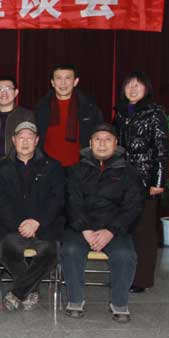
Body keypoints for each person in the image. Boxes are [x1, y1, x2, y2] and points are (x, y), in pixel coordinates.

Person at [62, 124, 145, 322]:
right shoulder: (75, 170)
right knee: (70, 250)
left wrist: (110, 231)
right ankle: (75, 300)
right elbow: (71, 202)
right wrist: (85, 229)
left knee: (125, 255)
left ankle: (119, 303)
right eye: (97, 139)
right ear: (90, 143)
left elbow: (133, 207)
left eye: (107, 139)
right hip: (81, 228)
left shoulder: (129, 172)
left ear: (116, 144)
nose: (102, 144)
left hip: (115, 229)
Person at [0, 122, 64, 312]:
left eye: (29, 137)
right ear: (13, 140)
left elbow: (57, 199)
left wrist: (37, 222)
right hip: (13, 227)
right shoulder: (1, 168)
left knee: (50, 252)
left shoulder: (52, 166)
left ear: (36, 140)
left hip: (44, 227)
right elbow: (0, 201)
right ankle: (31, 290)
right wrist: (20, 225)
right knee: (8, 250)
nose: (25, 142)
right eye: (21, 137)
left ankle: (17, 293)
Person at [114, 72, 169, 293]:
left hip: (146, 180)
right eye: (129, 85)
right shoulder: (121, 113)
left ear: (146, 89)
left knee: (144, 232)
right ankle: (123, 274)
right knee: (124, 228)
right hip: (122, 179)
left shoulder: (155, 113)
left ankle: (141, 279)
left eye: (138, 85)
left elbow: (162, 150)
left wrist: (158, 181)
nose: (133, 89)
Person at [35, 64, 103, 167]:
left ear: (75, 82)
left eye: (67, 78)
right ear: (52, 82)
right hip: (48, 166)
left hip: (80, 166)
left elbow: (100, 135)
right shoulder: (42, 107)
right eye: (58, 78)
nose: (63, 83)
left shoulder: (89, 108)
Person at [0, 76, 34, 164]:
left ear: (16, 92)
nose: (4, 92)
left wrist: (4, 162)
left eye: (8, 88)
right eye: (0, 89)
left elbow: (29, 144)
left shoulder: (26, 116)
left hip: (19, 165)